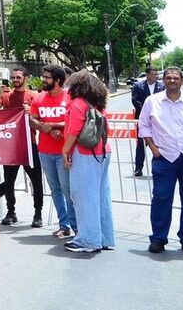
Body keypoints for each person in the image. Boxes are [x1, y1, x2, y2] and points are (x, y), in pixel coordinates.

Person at [138, 67, 183, 255]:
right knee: (161, 198)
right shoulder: (153, 102)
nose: (172, 81)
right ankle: (158, 238)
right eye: (168, 77)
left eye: (176, 78)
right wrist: (152, 147)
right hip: (164, 158)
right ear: (163, 80)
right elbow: (143, 125)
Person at [62, 70, 114, 253]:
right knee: (102, 196)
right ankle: (105, 238)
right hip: (103, 152)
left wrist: (65, 150)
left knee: (84, 197)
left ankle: (88, 240)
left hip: (85, 154)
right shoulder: (98, 104)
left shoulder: (77, 104)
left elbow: (73, 130)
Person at [0, 68, 42, 227]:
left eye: (18, 77)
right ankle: (10, 212)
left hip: (29, 143)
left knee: (36, 180)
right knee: (9, 180)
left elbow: (40, 118)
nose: (15, 79)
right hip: (11, 145)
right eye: (12, 77)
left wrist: (30, 111)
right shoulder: (6, 96)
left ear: (26, 78)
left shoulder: (34, 97)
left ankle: (37, 213)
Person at [28, 65, 75, 239]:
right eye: (44, 77)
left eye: (47, 77)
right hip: (45, 152)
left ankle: (76, 226)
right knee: (55, 189)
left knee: (67, 189)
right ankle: (64, 225)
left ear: (57, 80)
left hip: (65, 151)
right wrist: (46, 129)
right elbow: (32, 120)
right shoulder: (39, 98)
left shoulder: (69, 97)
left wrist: (55, 126)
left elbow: (75, 120)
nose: (43, 80)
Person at [132, 66, 165, 176]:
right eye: (154, 74)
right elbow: (135, 101)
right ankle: (138, 168)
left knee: (161, 144)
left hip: (159, 120)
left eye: (157, 74)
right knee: (141, 146)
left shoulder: (162, 86)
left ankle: (159, 169)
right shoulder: (138, 86)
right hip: (143, 120)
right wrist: (148, 112)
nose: (156, 76)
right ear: (147, 75)